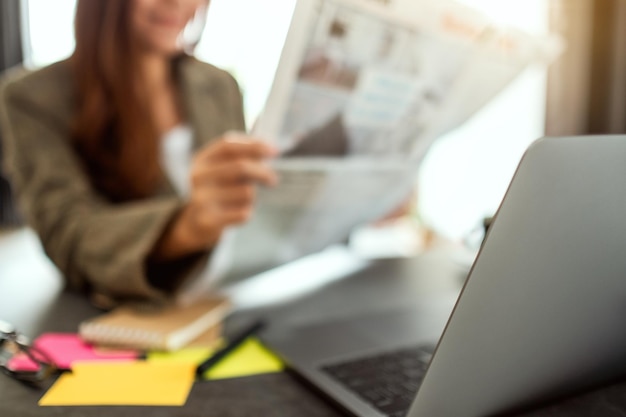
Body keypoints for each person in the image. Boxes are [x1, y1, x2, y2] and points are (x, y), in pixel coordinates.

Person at [0, 0, 279, 307]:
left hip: (236, 297)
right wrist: (186, 225)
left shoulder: (220, 84)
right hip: (141, 314)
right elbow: (68, 235)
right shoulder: (33, 98)